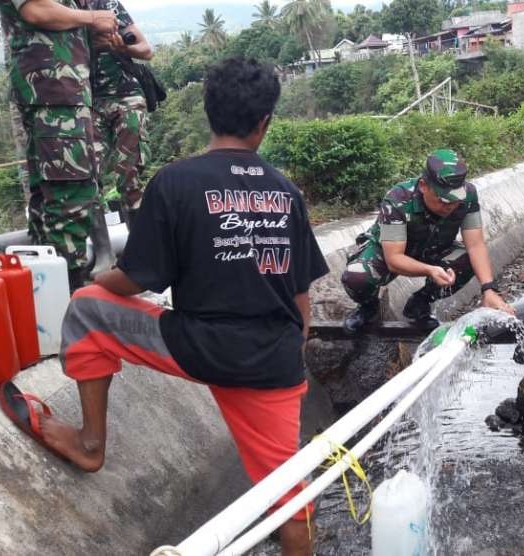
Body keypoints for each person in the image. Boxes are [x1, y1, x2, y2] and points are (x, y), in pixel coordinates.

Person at [37, 58, 327, 555]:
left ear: (209, 114)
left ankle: (90, 443)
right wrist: (290, 351)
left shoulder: (175, 182)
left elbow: (135, 280)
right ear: (265, 124)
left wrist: (96, 279)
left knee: (87, 308)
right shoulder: (285, 191)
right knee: (289, 501)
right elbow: (301, 295)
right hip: (273, 360)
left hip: (197, 346)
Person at [0, 0, 118, 288]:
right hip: (52, 92)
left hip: (62, 91)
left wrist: (92, 36)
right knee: (70, 195)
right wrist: (92, 18)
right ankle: (66, 302)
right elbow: (35, 10)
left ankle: (49, 299)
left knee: (55, 195)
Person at [341, 148, 514, 334]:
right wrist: (430, 271)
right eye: (443, 200)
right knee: (356, 277)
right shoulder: (398, 200)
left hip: (434, 249)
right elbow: (394, 259)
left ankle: (420, 303)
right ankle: (369, 308)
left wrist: (489, 290)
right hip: (390, 251)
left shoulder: (469, 195)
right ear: (424, 186)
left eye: (455, 201)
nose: (450, 206)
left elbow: (476, 245)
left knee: (468, 261)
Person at [90, 0, 152, 228]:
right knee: (86, 176)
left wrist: (120, 47)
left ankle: (140, 243)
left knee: (129, 172)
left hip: (126, 96)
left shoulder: (108, 5)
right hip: (88, 101)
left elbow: (146, 50)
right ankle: (102, 249)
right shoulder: (68, 9)